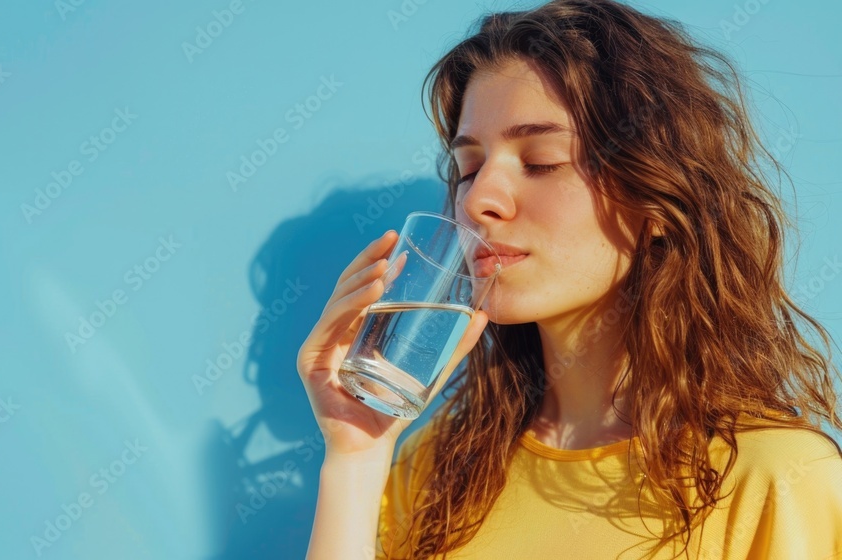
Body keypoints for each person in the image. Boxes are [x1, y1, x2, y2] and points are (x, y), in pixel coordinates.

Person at [296, 0, 842, 558]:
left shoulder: (778, 477)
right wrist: (355, 457)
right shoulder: (438, 468)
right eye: (468, 168)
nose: (479, 198)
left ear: (657, 198)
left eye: (541, 161)